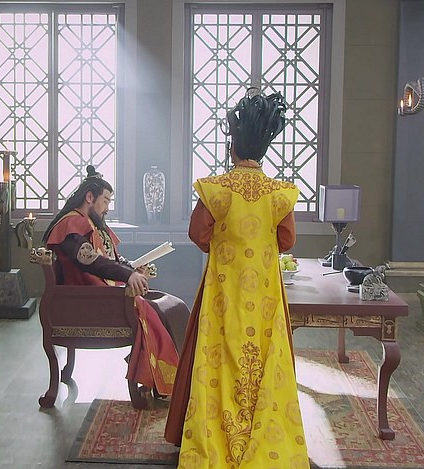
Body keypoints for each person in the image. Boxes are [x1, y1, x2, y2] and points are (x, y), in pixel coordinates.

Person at [164, 88, 309, 469]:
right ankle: (266, 442)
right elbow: (287, 240)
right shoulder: (279, 193)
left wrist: (224, 241)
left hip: (223, 292)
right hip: (264, 294)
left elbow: (198, 234)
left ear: (233, 147)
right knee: (265, 359)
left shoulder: (217, 189)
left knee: (216, 357)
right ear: (263, 149)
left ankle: (215, 439)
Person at [43, 166, 189, 396]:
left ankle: (172, 378)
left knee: (172, 306)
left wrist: (132, 268)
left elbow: (110, 260)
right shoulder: (71, 226)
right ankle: (166, 381)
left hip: (103, 294)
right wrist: (128, 275)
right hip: (88, 301)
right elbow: (91, 262)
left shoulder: (90, 223)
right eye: (105, 201)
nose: (107, 208)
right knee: (155, 309)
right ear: (89, 197)